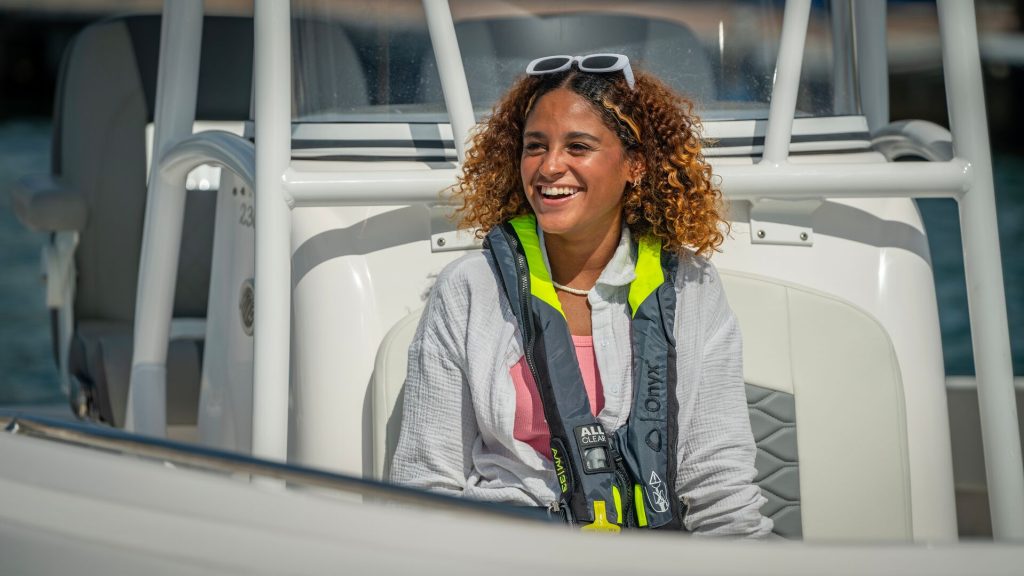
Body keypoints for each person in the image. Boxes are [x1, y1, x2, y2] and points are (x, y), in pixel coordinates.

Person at [389, 53, 772, 537]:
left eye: (578, 146)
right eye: (535, 146)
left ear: (634, 164)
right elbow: (426, 488)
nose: (550, 167)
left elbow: (720, 487)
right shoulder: (468, 289)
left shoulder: (692, 289)